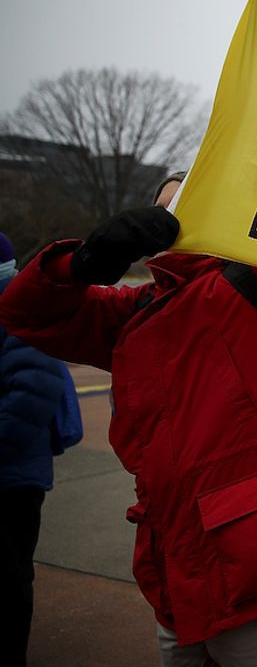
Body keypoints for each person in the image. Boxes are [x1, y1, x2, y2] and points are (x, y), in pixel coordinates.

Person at [0, 175, 257, 665]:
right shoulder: (138, 309)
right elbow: (25, 315)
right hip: (175, 560)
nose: (170, 217)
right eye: (160, 209)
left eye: (188, 202)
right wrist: (79, 265)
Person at [0, 231, 79, 667]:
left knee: (10, 578)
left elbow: (31, 392)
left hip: (13, 475)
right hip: (14, 468)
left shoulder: (17, 307)